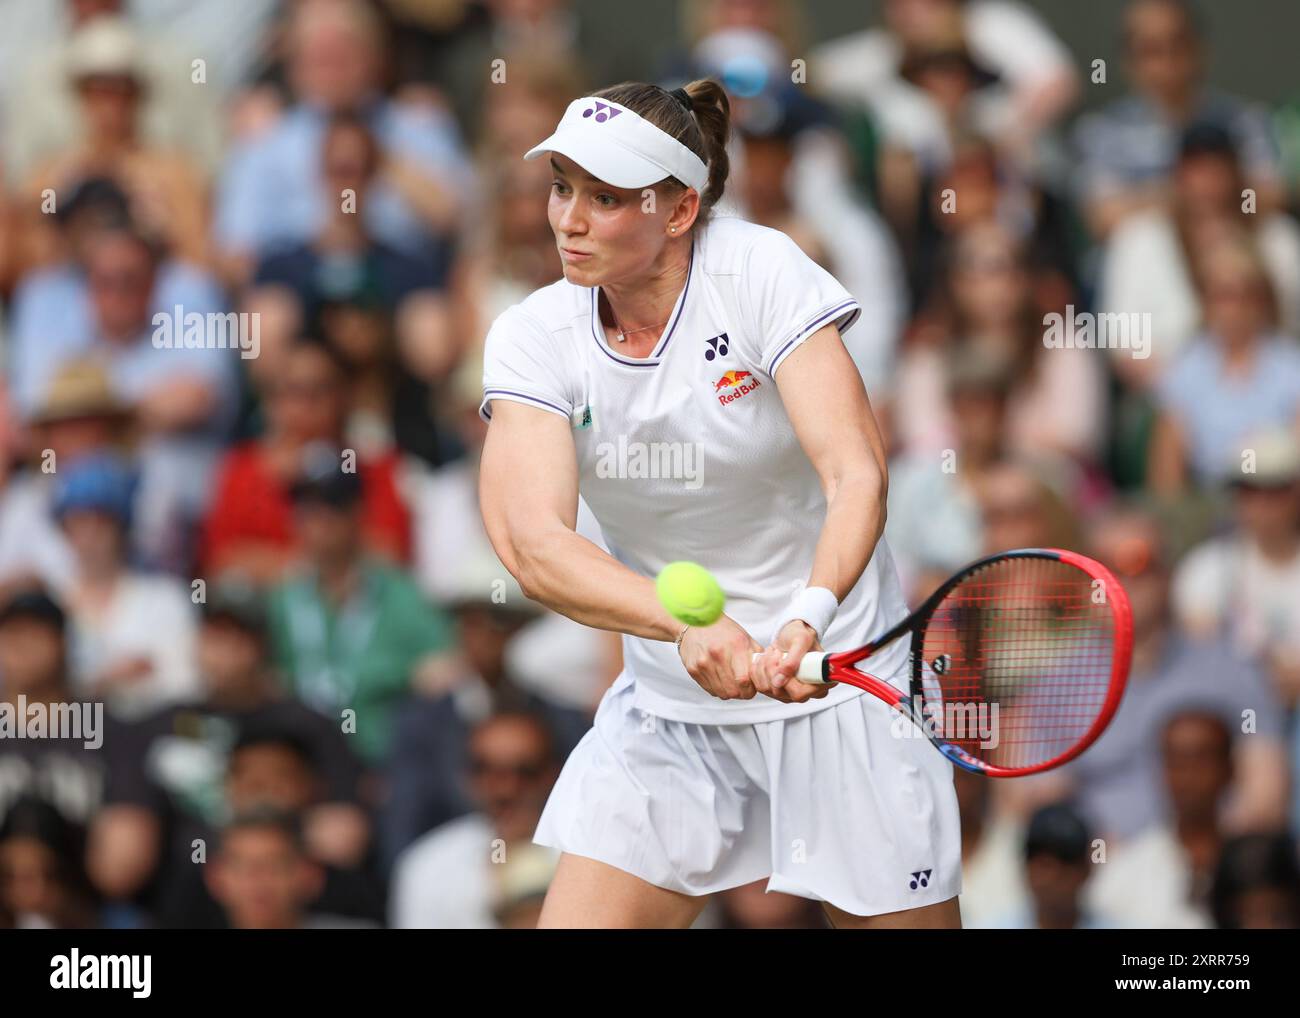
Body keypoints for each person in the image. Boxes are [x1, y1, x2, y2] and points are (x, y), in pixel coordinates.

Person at [477, 78, 962, 928]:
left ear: (678, 209)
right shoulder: (533, 335)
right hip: (671, 710)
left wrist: (807, 618)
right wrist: (686, 629)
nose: (568, 219)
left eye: (605, 197)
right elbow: (532, 546)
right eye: (561, 187)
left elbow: (857, 474)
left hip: (841, 680)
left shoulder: (761, 271)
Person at [389, 711, 562, 929]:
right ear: (466, 775)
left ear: (554, 774)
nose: (505, 788)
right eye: (487, 770)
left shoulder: (587, 857)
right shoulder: (427, 865)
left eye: (525, 771)